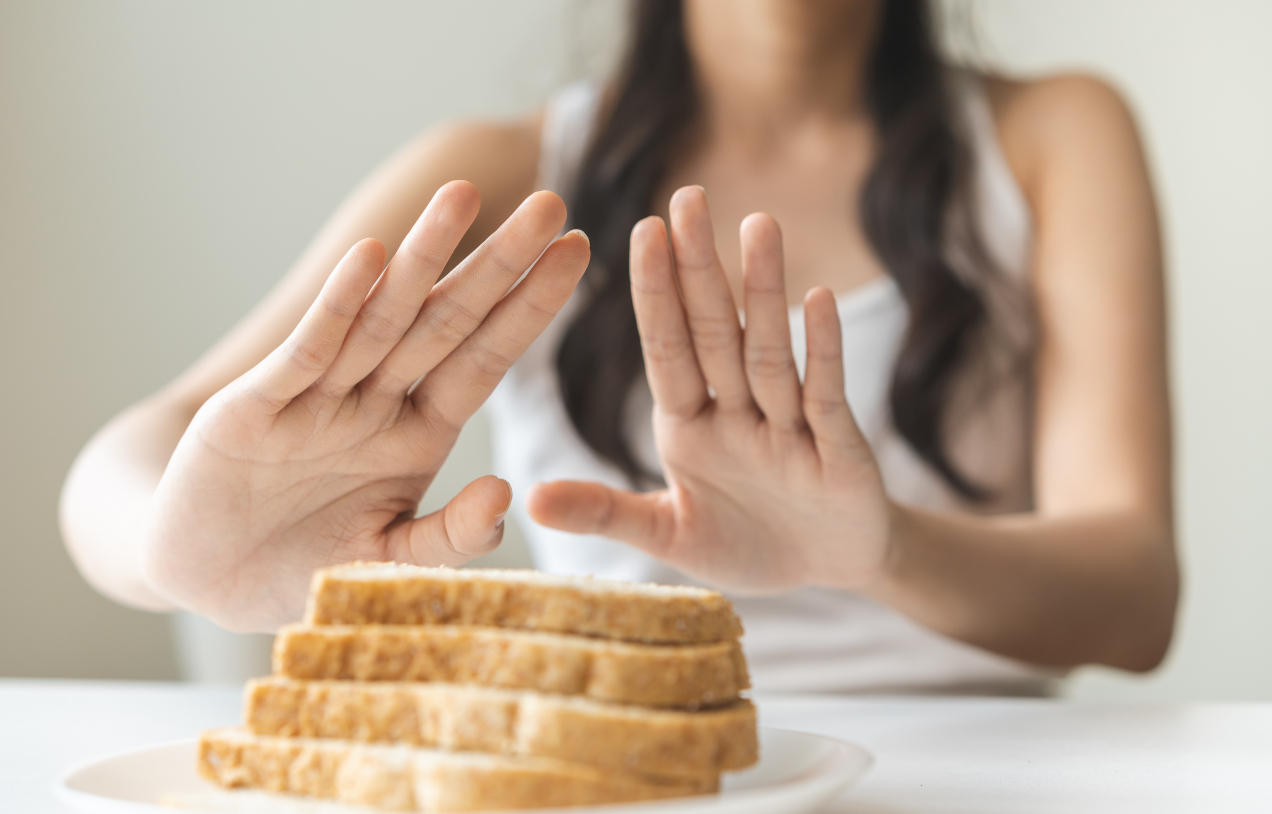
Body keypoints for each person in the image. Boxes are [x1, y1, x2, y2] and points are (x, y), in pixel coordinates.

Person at [60, 0, 1177, 695]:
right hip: (621, 770)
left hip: (991, 778)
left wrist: (882, 546)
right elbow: (121, 462)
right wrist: (168, 552)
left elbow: (1136, 597)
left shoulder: (1050, 137)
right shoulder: (510, 166)